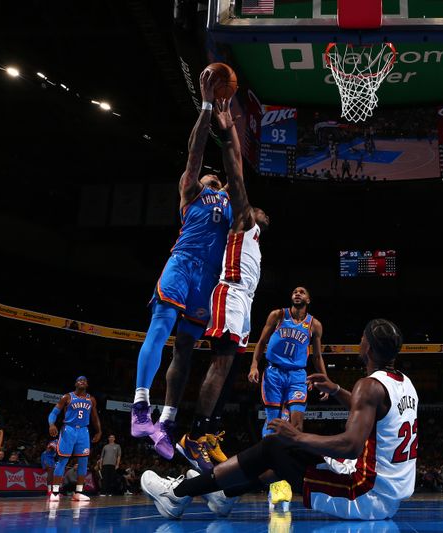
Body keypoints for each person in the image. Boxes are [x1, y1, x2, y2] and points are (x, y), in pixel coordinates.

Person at [141, 319, 418, 521]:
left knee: (275, 446)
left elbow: (351, 445)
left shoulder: (368, 386)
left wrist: (296, 436)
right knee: (291, 453)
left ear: (367, 347)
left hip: (362, 495)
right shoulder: (404, 384)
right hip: (386, 496)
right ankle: (226, 494)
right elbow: (372, 412)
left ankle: (177, 494)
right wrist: (335, 390)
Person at [131, 71, 235, 460]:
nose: (213, 176)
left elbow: (237, 168)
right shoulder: (192, 191)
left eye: (216, 176)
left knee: (187, 350)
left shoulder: (229, 201)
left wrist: (229, 131)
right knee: (160, 327)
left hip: (208, 279)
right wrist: (207, 107)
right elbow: (194, 152)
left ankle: (167, 421)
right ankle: (140, 407)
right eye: (209, 175)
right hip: (183, 263)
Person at [174, 98, 270, 472]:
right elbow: (236, 173)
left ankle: (211, 431)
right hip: (228, 292)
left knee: (230, 366)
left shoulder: (256, 234)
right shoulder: (241, 219)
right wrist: (230, 131)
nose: (256, 208)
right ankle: (195, 435)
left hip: (244, 301)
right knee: (221, 361)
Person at [248, 287, 328, 507]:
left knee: (297, 425)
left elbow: (318, 356)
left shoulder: (314, 325)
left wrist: (325, 380)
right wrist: (254, 365)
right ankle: (276, 482)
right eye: (295, 291)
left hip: (297, 374)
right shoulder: (278, 315)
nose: (298, 293)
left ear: (308, 299)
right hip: (273, 371)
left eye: (303, 292)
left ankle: (285, 475)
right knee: (274, 424)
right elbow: (262, 342)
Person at [47, 376, 102, 502]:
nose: (82, 381)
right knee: (63, 460)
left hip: (83, 431)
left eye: (84, 381)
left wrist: (99, 431)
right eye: (79, 380)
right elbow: (54, 413)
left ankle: (78, 493)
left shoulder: (91, 399)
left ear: (87, 385)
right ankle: (55, 492)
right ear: (75, 383)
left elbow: (95, 417)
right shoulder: (67, 397)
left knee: (83, 461)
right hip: (69, 429)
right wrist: (51, 424)